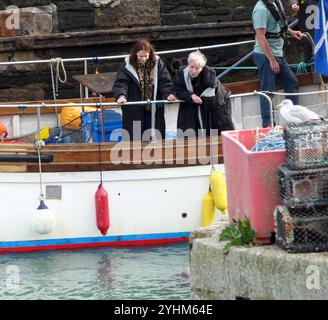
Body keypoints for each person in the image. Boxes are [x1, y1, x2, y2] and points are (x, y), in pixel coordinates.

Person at [252, 0, 303, 128]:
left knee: (292, 83)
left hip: (278, 54)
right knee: (268, 91)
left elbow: (278, 24)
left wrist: (291, 32)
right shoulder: (261, 10)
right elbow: (261, 37)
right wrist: (272, 60)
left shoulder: (275, 3)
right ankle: (268, 125)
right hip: (265, 56)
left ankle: (293, 119)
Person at [112, 40, 177, 141]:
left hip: (153, 108)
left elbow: (164, 81)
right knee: (135, 137)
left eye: (146, 56)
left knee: (154, 136)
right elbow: (121, 82)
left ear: (150, 54)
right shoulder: (127, 66)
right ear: (135, 54)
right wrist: (121, 96)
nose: (143, 59)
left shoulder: (157, 63)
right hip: (135, 108)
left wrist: (168, 93)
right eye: (140, 56)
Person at [173, 50, 234, 137]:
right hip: (192, 105)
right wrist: (190, 95)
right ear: (188, 65)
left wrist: (200, 99)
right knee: (188, 130)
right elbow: (177, 89)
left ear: (202, 68)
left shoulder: (210, 78)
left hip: (217, 104)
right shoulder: (182, 73)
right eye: (191, 67)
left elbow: (213, 101)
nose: (193, 71)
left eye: (197, 68)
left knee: (214, 129)